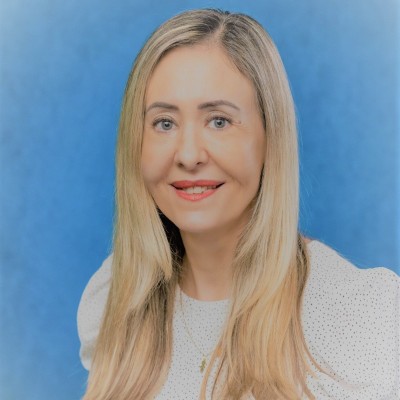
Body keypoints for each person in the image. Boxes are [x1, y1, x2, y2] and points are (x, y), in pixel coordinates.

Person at [77, 9, 399, 400]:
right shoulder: (116, 299)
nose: (189, 155)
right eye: (164, 123)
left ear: (269, 138)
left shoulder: (358, 316)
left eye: (219, 121)